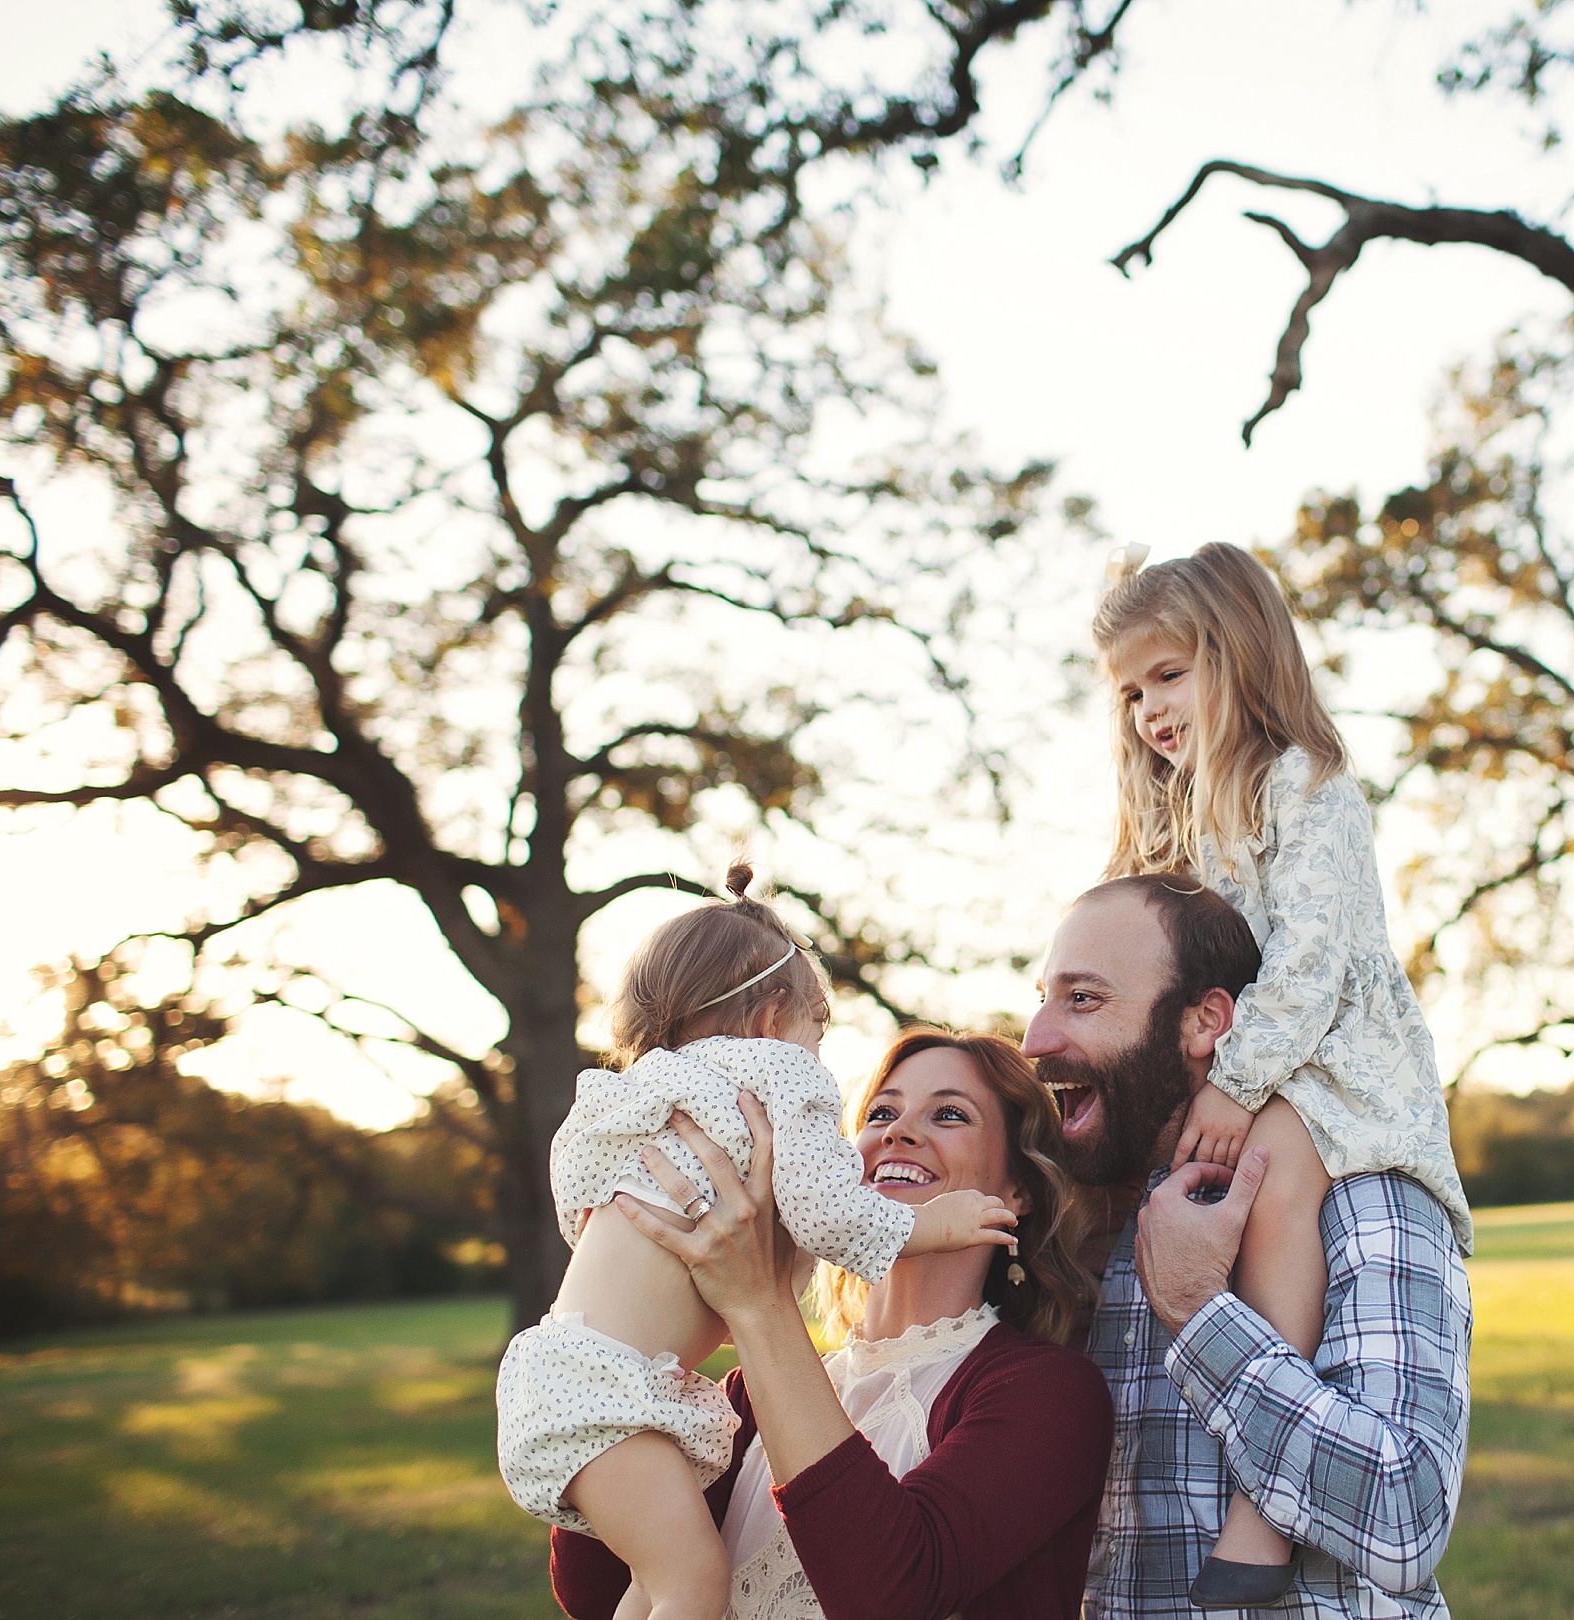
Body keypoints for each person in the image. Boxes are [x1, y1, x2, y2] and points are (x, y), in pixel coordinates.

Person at [1092, 544, 1474, 1605]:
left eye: (1170, 675)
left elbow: (1311, 958)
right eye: (1130, 691)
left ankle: (1265, 1512)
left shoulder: (1302, 783)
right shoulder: (1170, 823)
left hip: (1332, 1070)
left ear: (1240, 657)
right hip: (1252, 1078)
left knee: (1274, 1178)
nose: (1148, 709)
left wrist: (1236, 1082)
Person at [498, 868, 1018, 1620]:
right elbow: (829, 1211)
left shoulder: (638, 1094)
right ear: (775, 1021)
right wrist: (938, 1223)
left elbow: (576, 1197)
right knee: (690, 1585)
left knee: (652, 1586)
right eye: (820, 1035)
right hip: (612, 1389)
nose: (897, 1131)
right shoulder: (777, 1078)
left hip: (560, 1366)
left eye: (950, 1116)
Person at [549, 1027, 1114, 1620]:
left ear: (1019, 1187)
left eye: (949, 1114)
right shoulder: (740, 1399)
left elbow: (893, 1595)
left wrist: (760, 1303)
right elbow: (598, 1593)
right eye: (880, 1113)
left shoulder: (1050, 1394)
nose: (898, 1131)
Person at [1024, 874, 1472, 1618]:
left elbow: (1406, 1518)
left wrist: (1200, 1312)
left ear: (1205, 1022)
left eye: (1084, 999)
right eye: (1040, 996)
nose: (1037, 1036)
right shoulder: (1085, 1229)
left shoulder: (1361, 1193)